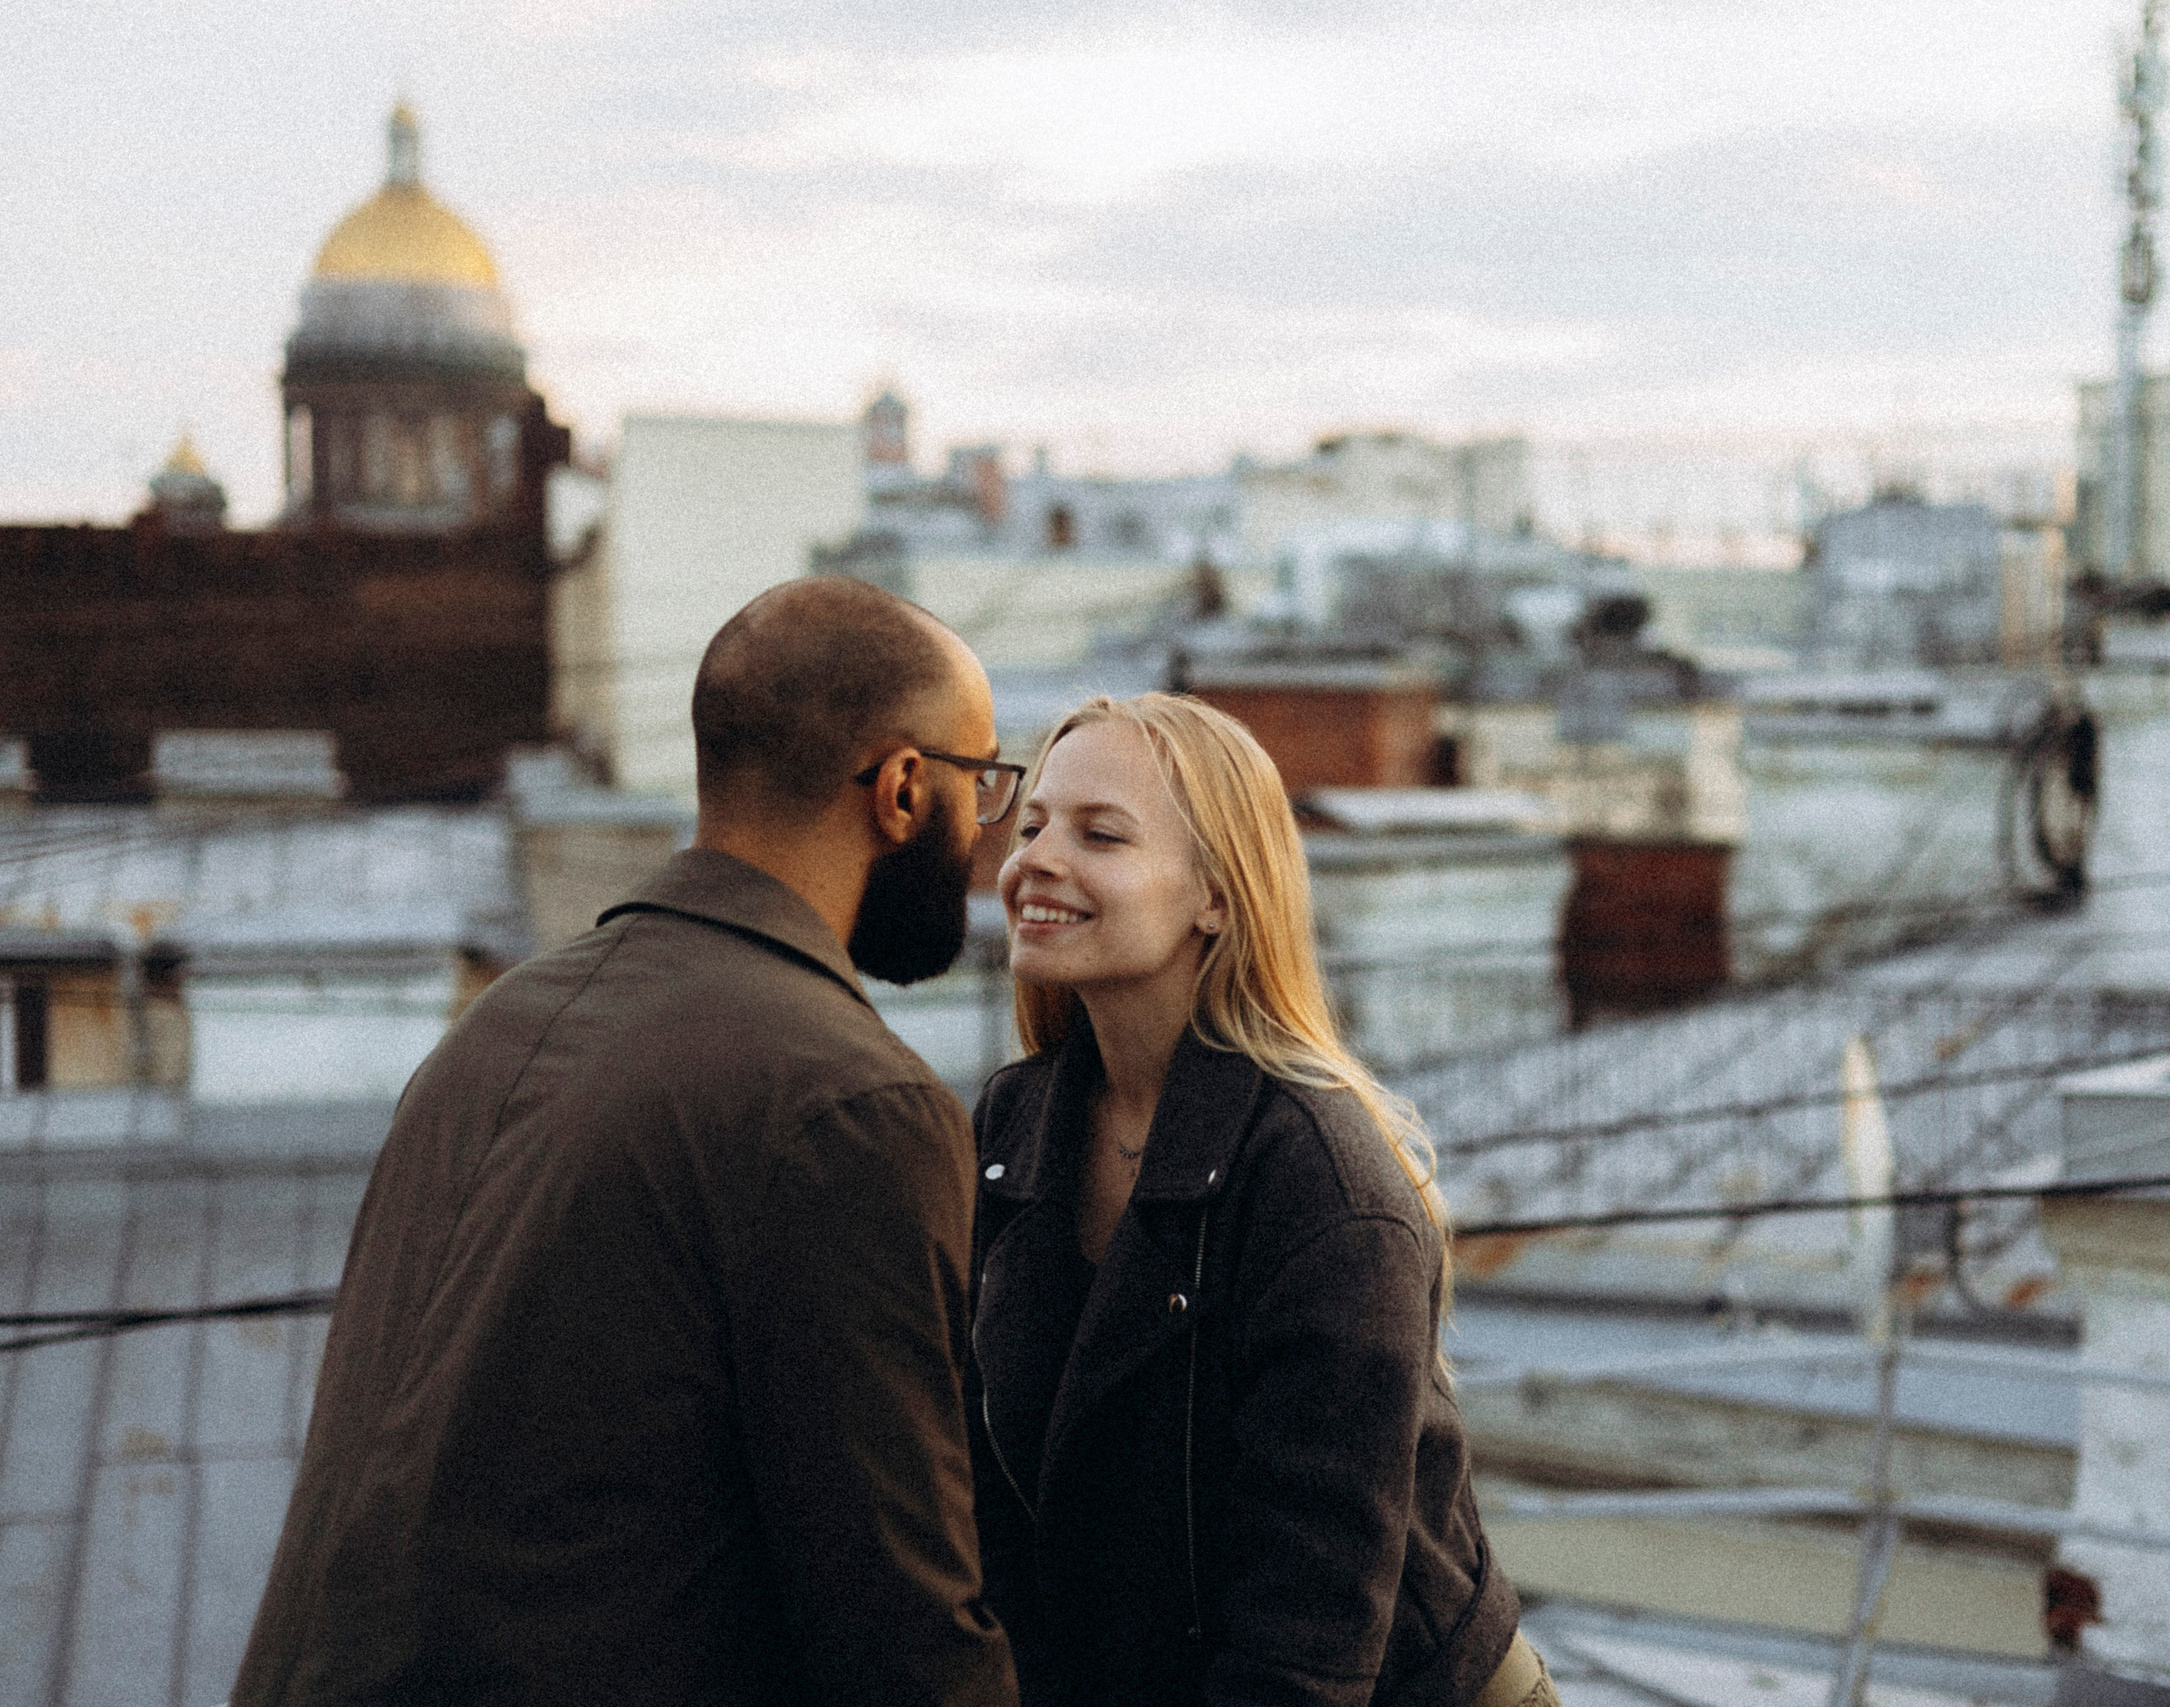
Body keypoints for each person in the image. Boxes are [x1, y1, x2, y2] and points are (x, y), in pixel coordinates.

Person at [234, 579, 1021, 1707]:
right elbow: (902, 1636)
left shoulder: (499, 1022)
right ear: (901, 788)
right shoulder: (850, 1104)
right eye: (980, 782)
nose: (987, 829)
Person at [966, 693, 1555, 1707]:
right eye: (1033, 827)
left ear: (1217, 895)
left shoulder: (1321, 1184)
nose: (1035, 862)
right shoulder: (1014, 1125)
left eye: (1100, 834)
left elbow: (1310, 1638)